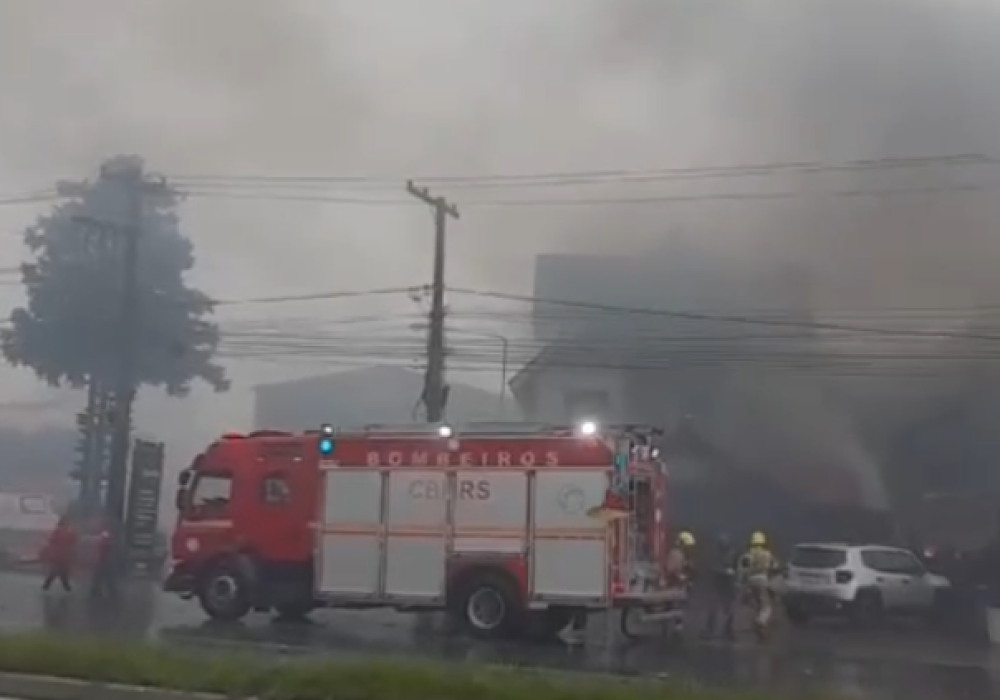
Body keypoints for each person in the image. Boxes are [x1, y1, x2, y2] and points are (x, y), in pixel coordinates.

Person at [739, 530, 779, 642]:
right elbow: (775, 566)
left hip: (750, 580)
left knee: (755, 604)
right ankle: (760, 622)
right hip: (762, 579)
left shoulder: (747, 555)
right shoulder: (767, 554)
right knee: (766, 606)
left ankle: (756, 621)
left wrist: (742, 583)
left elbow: (743, 569)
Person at [703, 533, 739, 640]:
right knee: (725, 605)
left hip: (721, 579)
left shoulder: (718, 554)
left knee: (717, 605)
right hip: (725, 580)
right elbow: (735, 567)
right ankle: (726, 629)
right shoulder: (730, 553)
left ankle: (713, 627)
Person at [41, 517, 77, 593]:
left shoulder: (59, 531)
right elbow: (72, 540)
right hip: (60, 556)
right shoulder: (62, 532)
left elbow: (51, 541)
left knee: (59, 572)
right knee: (60, 572)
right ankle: (66, 589)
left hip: (60, 556)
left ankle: (47, 587)